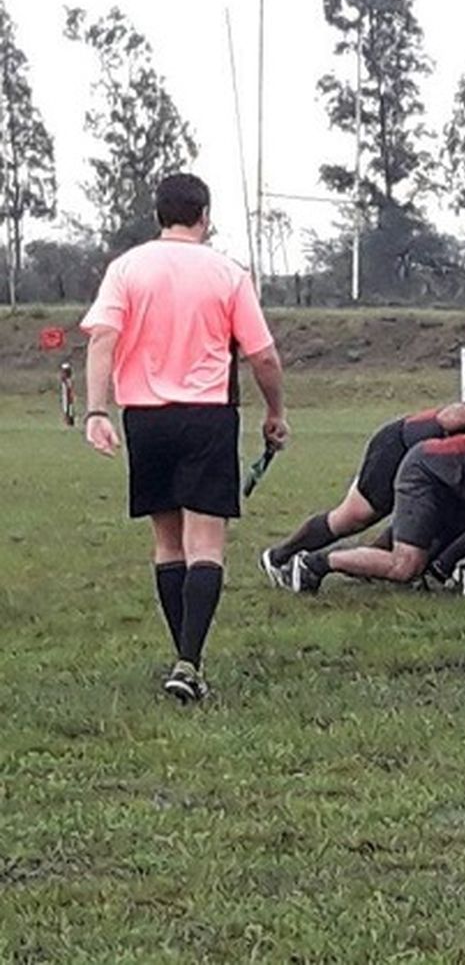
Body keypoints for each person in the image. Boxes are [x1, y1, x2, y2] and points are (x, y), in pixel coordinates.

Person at [80, 173, 287, 703]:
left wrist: (96, 411)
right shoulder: (228, 272)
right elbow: (262, 355)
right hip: (206, 416)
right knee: (206, 546)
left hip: (145, 418)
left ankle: (183, 659)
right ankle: (189, 661)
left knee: (167, 544)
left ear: (158, 215)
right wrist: (275, 412)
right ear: (205, 215)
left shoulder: (126, 268)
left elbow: (103, 338)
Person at [289, 409, 465, 604]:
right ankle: (314, 563)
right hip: (425, 475)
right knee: (404, 566)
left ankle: (358, 563)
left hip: (452, 484)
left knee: (415, 561)